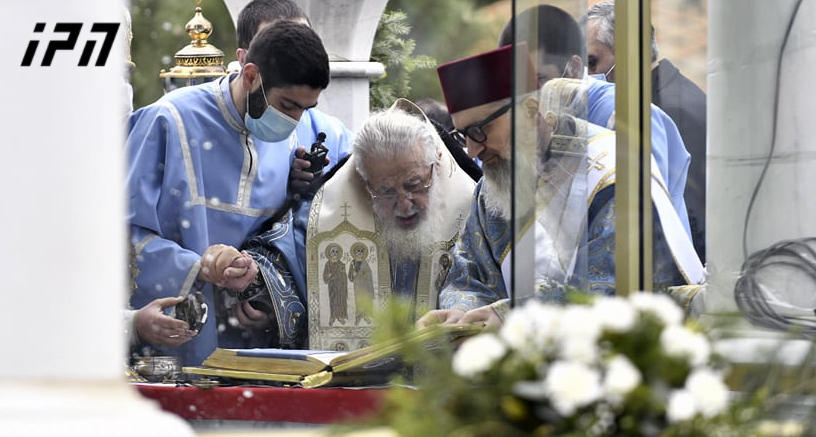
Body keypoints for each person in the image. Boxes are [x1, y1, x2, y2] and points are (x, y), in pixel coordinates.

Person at [418, 45, 702, 328]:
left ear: (530, 111)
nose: (472, 151)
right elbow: (469, 274)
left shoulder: (613, 170)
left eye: (479, 131)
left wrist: (512, 314)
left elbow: (612, 289)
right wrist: (460, 313)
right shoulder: (491, 188)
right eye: (463, 135)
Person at [127, 22, 331, 365]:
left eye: (304, 109)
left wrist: (263, 291)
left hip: (248, 358)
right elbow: (120, 236)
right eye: (287, 105)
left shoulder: (291, 144)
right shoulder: (167, 120)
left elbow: (281, 239)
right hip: (167, 348)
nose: (295, 120)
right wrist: (198, 267)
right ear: (250, 76)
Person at [498, 5, 692, 236]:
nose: (529, 98)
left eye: (539, 79)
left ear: (574, 68)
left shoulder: (626, 115)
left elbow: (645, 223)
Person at [586, 0, 707, 261]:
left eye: (592, 63)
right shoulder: (649, 101)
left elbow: (688, 217)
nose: (588, 75)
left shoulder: (671, 110)